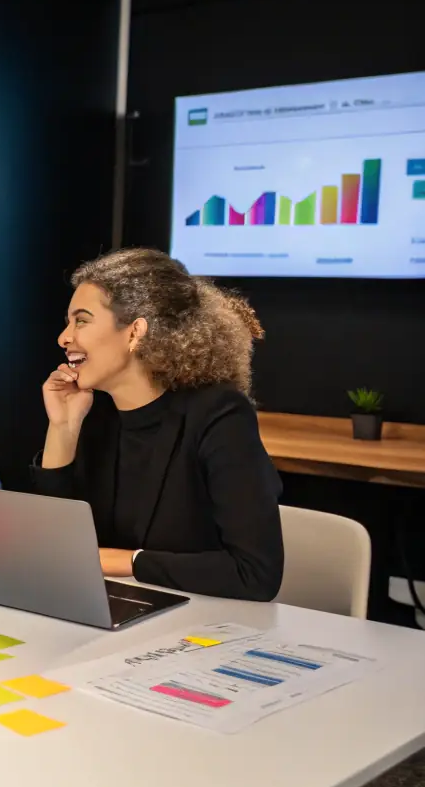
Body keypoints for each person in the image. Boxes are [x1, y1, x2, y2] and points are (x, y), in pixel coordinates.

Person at [31, 248, 284, 601]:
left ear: (135, 332)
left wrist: (128, 562)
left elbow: (255, 574)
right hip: (115, 618)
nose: (64, 337)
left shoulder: (219, 414)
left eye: (81, 320)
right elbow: (56, 549)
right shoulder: (97, 415)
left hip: (201, 627)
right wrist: (62, 428)